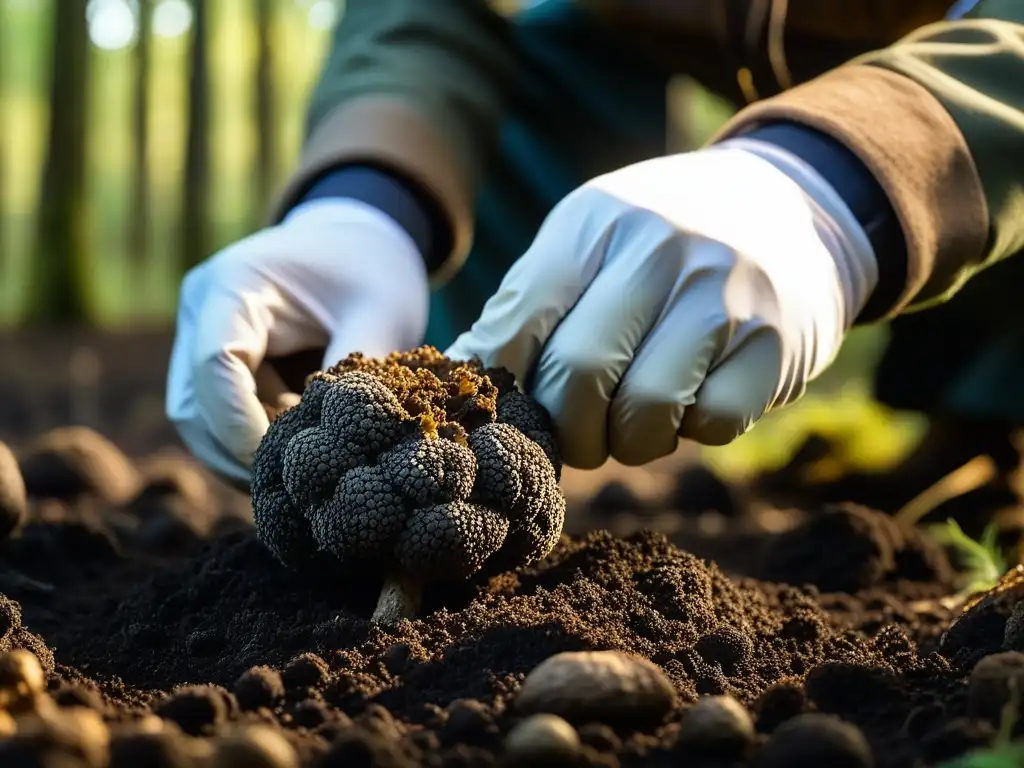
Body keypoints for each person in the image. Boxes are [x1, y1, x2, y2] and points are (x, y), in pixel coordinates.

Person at [166, 0, 1024, 501]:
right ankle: (499, 452)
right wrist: (370, 197)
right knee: (537, 43)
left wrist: (844, 181)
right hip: (638, 37)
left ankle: (989, 405)